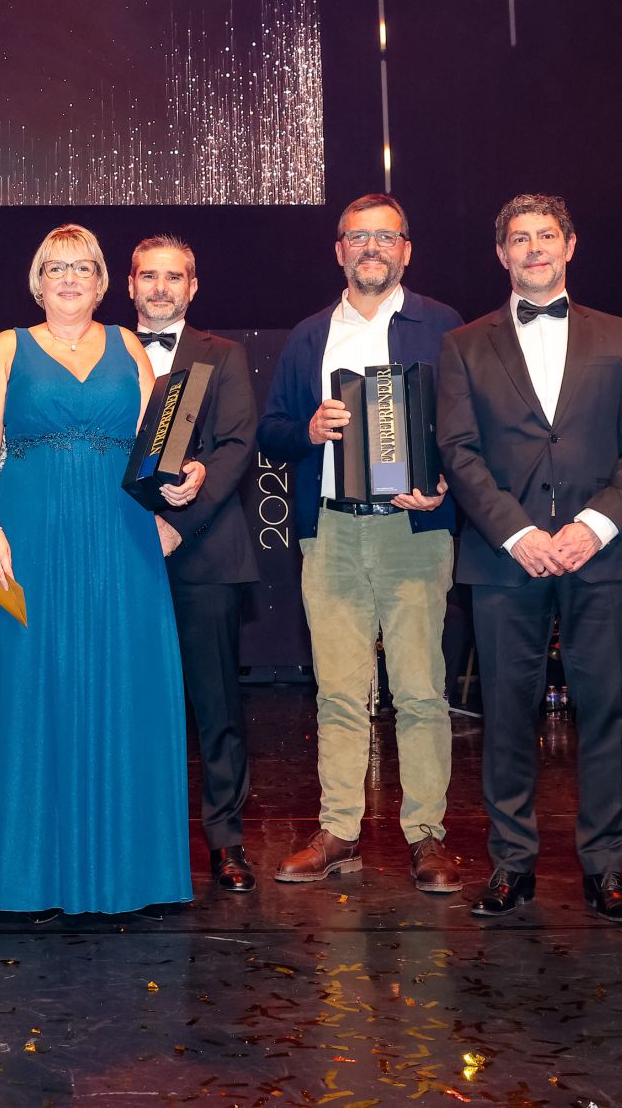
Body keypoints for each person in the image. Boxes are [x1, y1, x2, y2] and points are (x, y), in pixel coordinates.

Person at [0, 223, 204, 916]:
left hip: (118, 535)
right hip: (27, 538)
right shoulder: (5, 348)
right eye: (54, 267)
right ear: (36, 282)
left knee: (123, 679)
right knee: (29, 681)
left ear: (104, 283)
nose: (68, 278)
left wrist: (181, 485)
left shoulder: (130, 346)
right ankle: (26, 873)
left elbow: (162, 443)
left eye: (83, 267)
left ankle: (129, 871)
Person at [436, 194, 622, 924]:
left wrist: (593, 525)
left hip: (603, 555)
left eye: (546, 236)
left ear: (570, 244)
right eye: (518, 239)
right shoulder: (464, 344)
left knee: (606, 715)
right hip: (506, 559)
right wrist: (517, 533)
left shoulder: (621, 336)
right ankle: (512, 865)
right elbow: (458, 452)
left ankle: (606, 868)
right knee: (505, 716)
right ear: (500, 254)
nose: (533, 249)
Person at [256, 195, 465, 894]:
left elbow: (468, 432)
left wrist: (441, 488)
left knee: (421, 691)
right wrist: (308, 430)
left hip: (414, 530)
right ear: (338, 250)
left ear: (407, 249)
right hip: (334, 531)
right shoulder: (311, 335)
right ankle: (339, 830)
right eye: (357, 237)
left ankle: (426, 835)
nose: (371, 247)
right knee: (339, 691)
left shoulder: (443, 326)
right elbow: (273, 430)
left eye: (385, 236)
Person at [129, 235, 261, 894]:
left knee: (216, 706)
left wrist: (178, 525)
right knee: (128, 705)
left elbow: (237, 445)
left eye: (173, 277)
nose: (160, 288)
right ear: (129, 286)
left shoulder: (224, 355)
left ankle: (226, 840)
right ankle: (135, 837)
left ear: (193, 286)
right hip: (120, 554)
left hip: (204, 553)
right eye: (148, 276)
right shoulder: (103, 355)